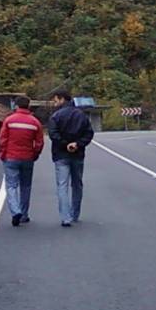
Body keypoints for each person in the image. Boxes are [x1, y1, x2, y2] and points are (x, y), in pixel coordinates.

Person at [47, 91, 93, 227]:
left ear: (62, 99)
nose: (55, 104)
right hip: (77, 154)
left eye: (56, 101)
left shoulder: (56, 116)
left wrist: (64, 144)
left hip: (61, 155)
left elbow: (53, 134)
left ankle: (65, 217)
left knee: (62, 185)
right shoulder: (81, 115)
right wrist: (77, 144)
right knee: (77, 184)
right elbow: (89, 133)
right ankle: (75, 213)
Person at [0, 97, 44, 227]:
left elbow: (3, 140)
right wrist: (35, 154)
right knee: (26, 186)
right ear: (28, 106)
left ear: (16, 105)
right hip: (27, 158)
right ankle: (24, 214)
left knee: (11, 185)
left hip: (11, 157)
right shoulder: (35, 122)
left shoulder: (9, 120)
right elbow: (39, 142)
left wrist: (2, 154)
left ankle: (15, 211)